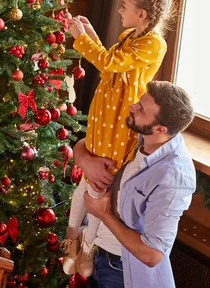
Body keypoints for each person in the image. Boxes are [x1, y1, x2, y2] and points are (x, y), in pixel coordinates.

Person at [62, 0, 174, 276]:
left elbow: (110, 62)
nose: (119, 11)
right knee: (84, 186)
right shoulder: (129, 35)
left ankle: (87, 246)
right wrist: (89, 33)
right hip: (104, 118)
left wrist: (79, 38)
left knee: (100, 188)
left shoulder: (154, 43)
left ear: (142, 14)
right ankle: (72, 241)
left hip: (120, 122)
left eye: (125, 6)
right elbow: (109, 61)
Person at [78, 81, 196, 287]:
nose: (132, 106)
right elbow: (87, 142)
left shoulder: (173, 178)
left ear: (160, 128)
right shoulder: (142, 135)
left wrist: (104, 213)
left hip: (120, 270)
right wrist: (85, 160)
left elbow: (152, 255)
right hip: (94, 249)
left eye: (140, 108)